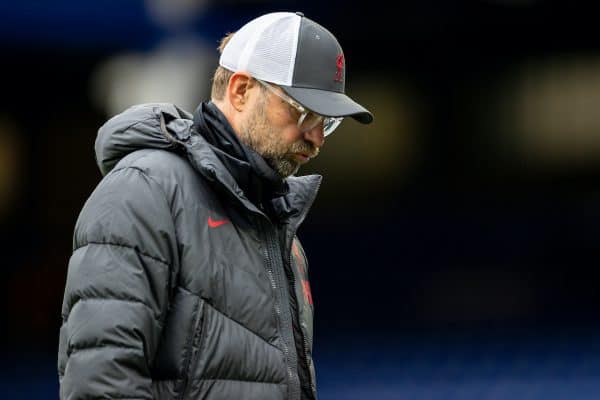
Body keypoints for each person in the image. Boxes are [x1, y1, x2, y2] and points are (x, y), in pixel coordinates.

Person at [57, 11, 372, 400]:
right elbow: (99, 387)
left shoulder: (278, 225)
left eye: (326, 122)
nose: (316, 138)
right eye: (303, 111)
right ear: (240, 91)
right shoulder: (144, 192)